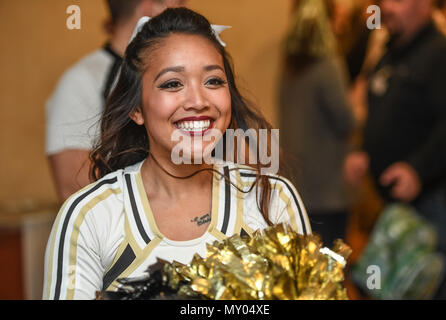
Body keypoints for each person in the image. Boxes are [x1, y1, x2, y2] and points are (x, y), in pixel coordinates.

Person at [43, 7, 311, 300]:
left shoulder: (271, 197)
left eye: (213, 81)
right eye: (172, 84)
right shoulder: (90, 216)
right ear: (136, 108)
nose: (198, 101)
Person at [344, 0, 446, 299]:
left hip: (432, 207)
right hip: (393, 205)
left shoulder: (441, 56)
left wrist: (418, 168)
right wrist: (362, 151)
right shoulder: (392, 51)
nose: (387, 8)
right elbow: (383, 111)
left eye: (399, 0)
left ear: (425, 4)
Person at [46, 0, 185, 203]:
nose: (186, 13)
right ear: (149, 7)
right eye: (180, 3)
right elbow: (72, 188)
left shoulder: (190, 75)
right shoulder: (84, 79)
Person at [279, 0, 355, 248]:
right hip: (327, 188)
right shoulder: (328, 65)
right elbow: (345, 121)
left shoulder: (290, 64)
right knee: (330, 267)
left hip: (298, 182)